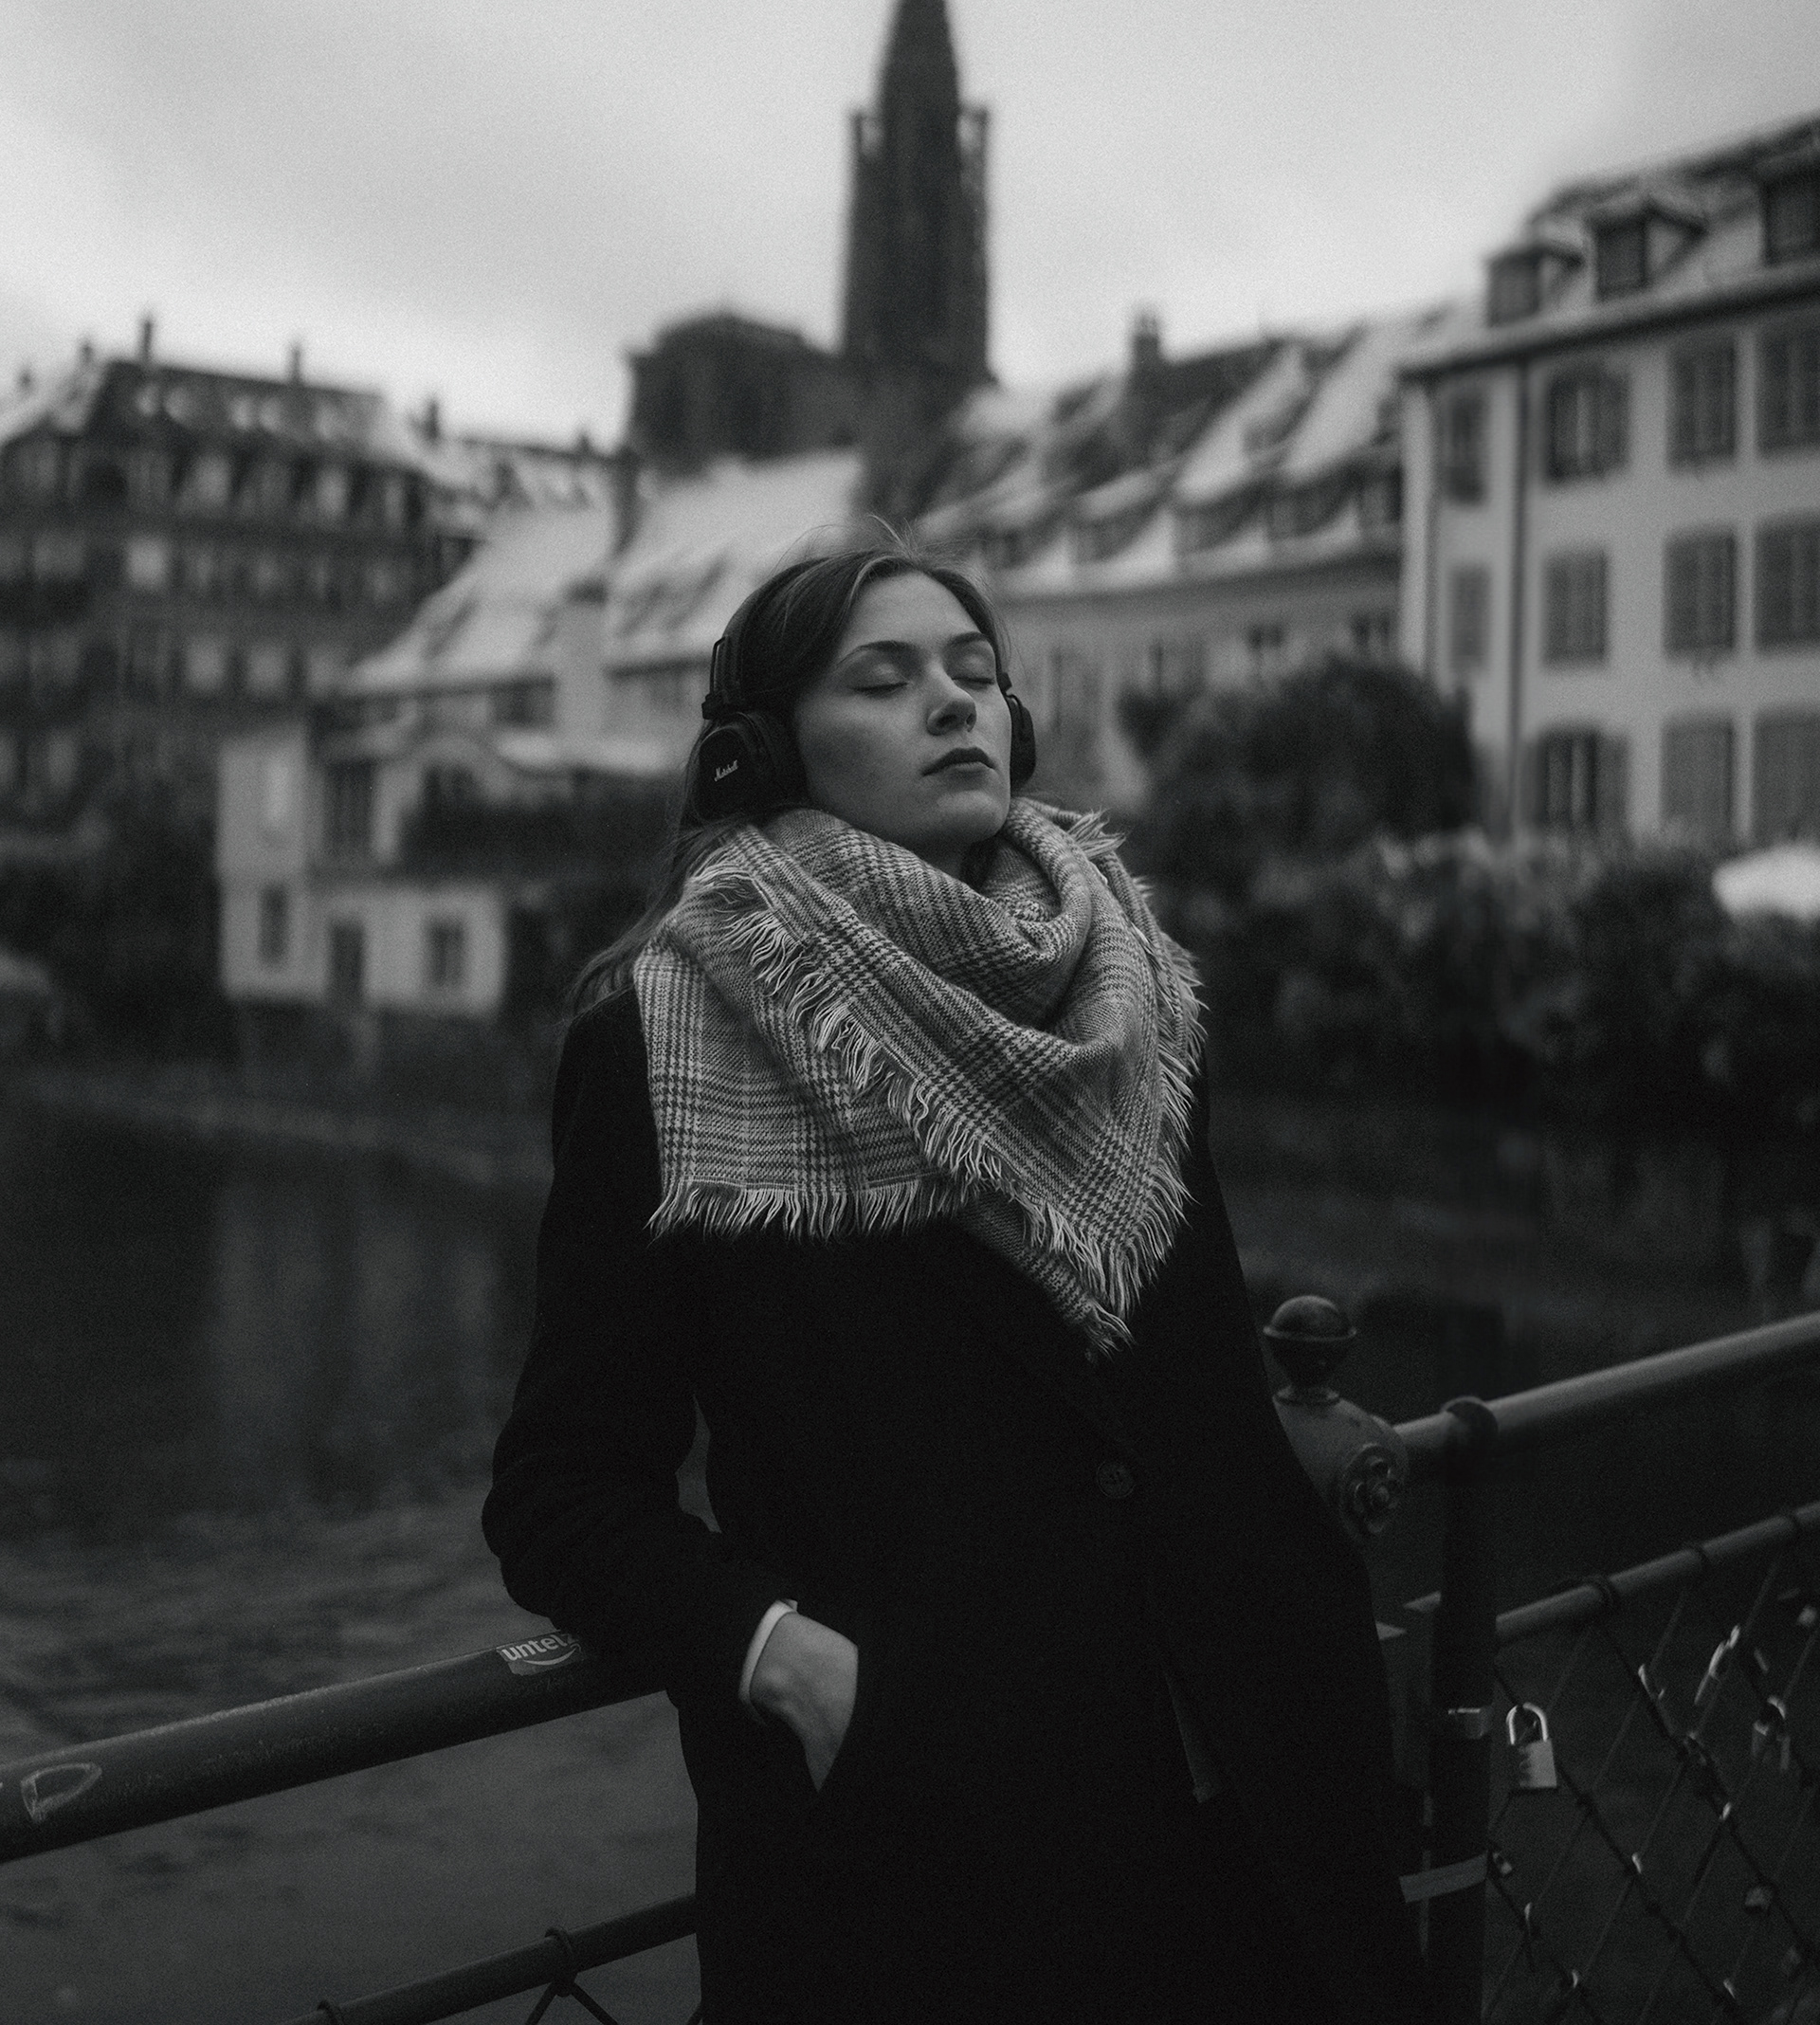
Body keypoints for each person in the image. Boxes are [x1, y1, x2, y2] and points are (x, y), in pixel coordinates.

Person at [483, 544, 1433, 2024]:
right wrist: (783, 1659)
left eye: (977, 674)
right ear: (764, 751)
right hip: (937, 1869)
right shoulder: (662, 1042)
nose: (954, 703)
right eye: (885, 680)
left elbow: (1186, 1399)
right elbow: (563, 1494)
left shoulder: (1134, 997)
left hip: (1261, 1812)